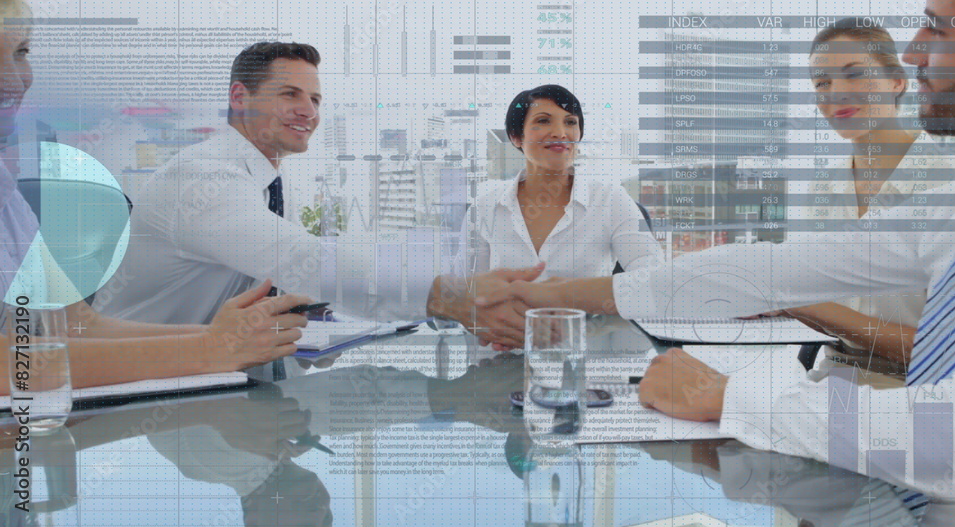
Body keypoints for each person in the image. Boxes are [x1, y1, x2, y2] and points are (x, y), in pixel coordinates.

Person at [477, 3, 955, 497]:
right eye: (821, 81)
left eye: (937, 26)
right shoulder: (949, 205)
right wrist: (537, 294)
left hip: (911, 443)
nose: (914, 48)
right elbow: (759, 270)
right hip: (837, 399)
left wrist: (731, 396)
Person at [96, 41, 541, 349]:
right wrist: (449, 296)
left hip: (215, 371)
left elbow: (301, 274)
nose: (309, 111)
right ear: (240, 97)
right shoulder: (202, 179)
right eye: (290, 94)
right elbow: (303, 259)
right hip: (137, 380)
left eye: (315, 99)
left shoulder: (268, 178)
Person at [0, 0, 312, 396]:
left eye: (20, 53)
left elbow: (80, 325)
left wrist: (225, 336)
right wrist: (207, 348)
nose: (15, 80)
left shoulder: (10, 202)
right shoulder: (200, 177)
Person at [773, 19, 955, 382]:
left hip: (918, 395)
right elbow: (810, 299)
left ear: (897, 81)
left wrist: (794, 300)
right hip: (830, 381)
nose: (836, 94)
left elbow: (951, 348)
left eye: (855, 74)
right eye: (822, 83)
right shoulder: (823, 190)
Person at [454, 85, 664, 349]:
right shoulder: (484, 208)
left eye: (570, 122)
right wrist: (489, 323)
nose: (560, 133)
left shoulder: (611, 198)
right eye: (543, 121)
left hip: (586, 353)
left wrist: (574, 298)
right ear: (515, 137)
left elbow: (652, 277)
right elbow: (465, 292)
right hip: (501, 355)